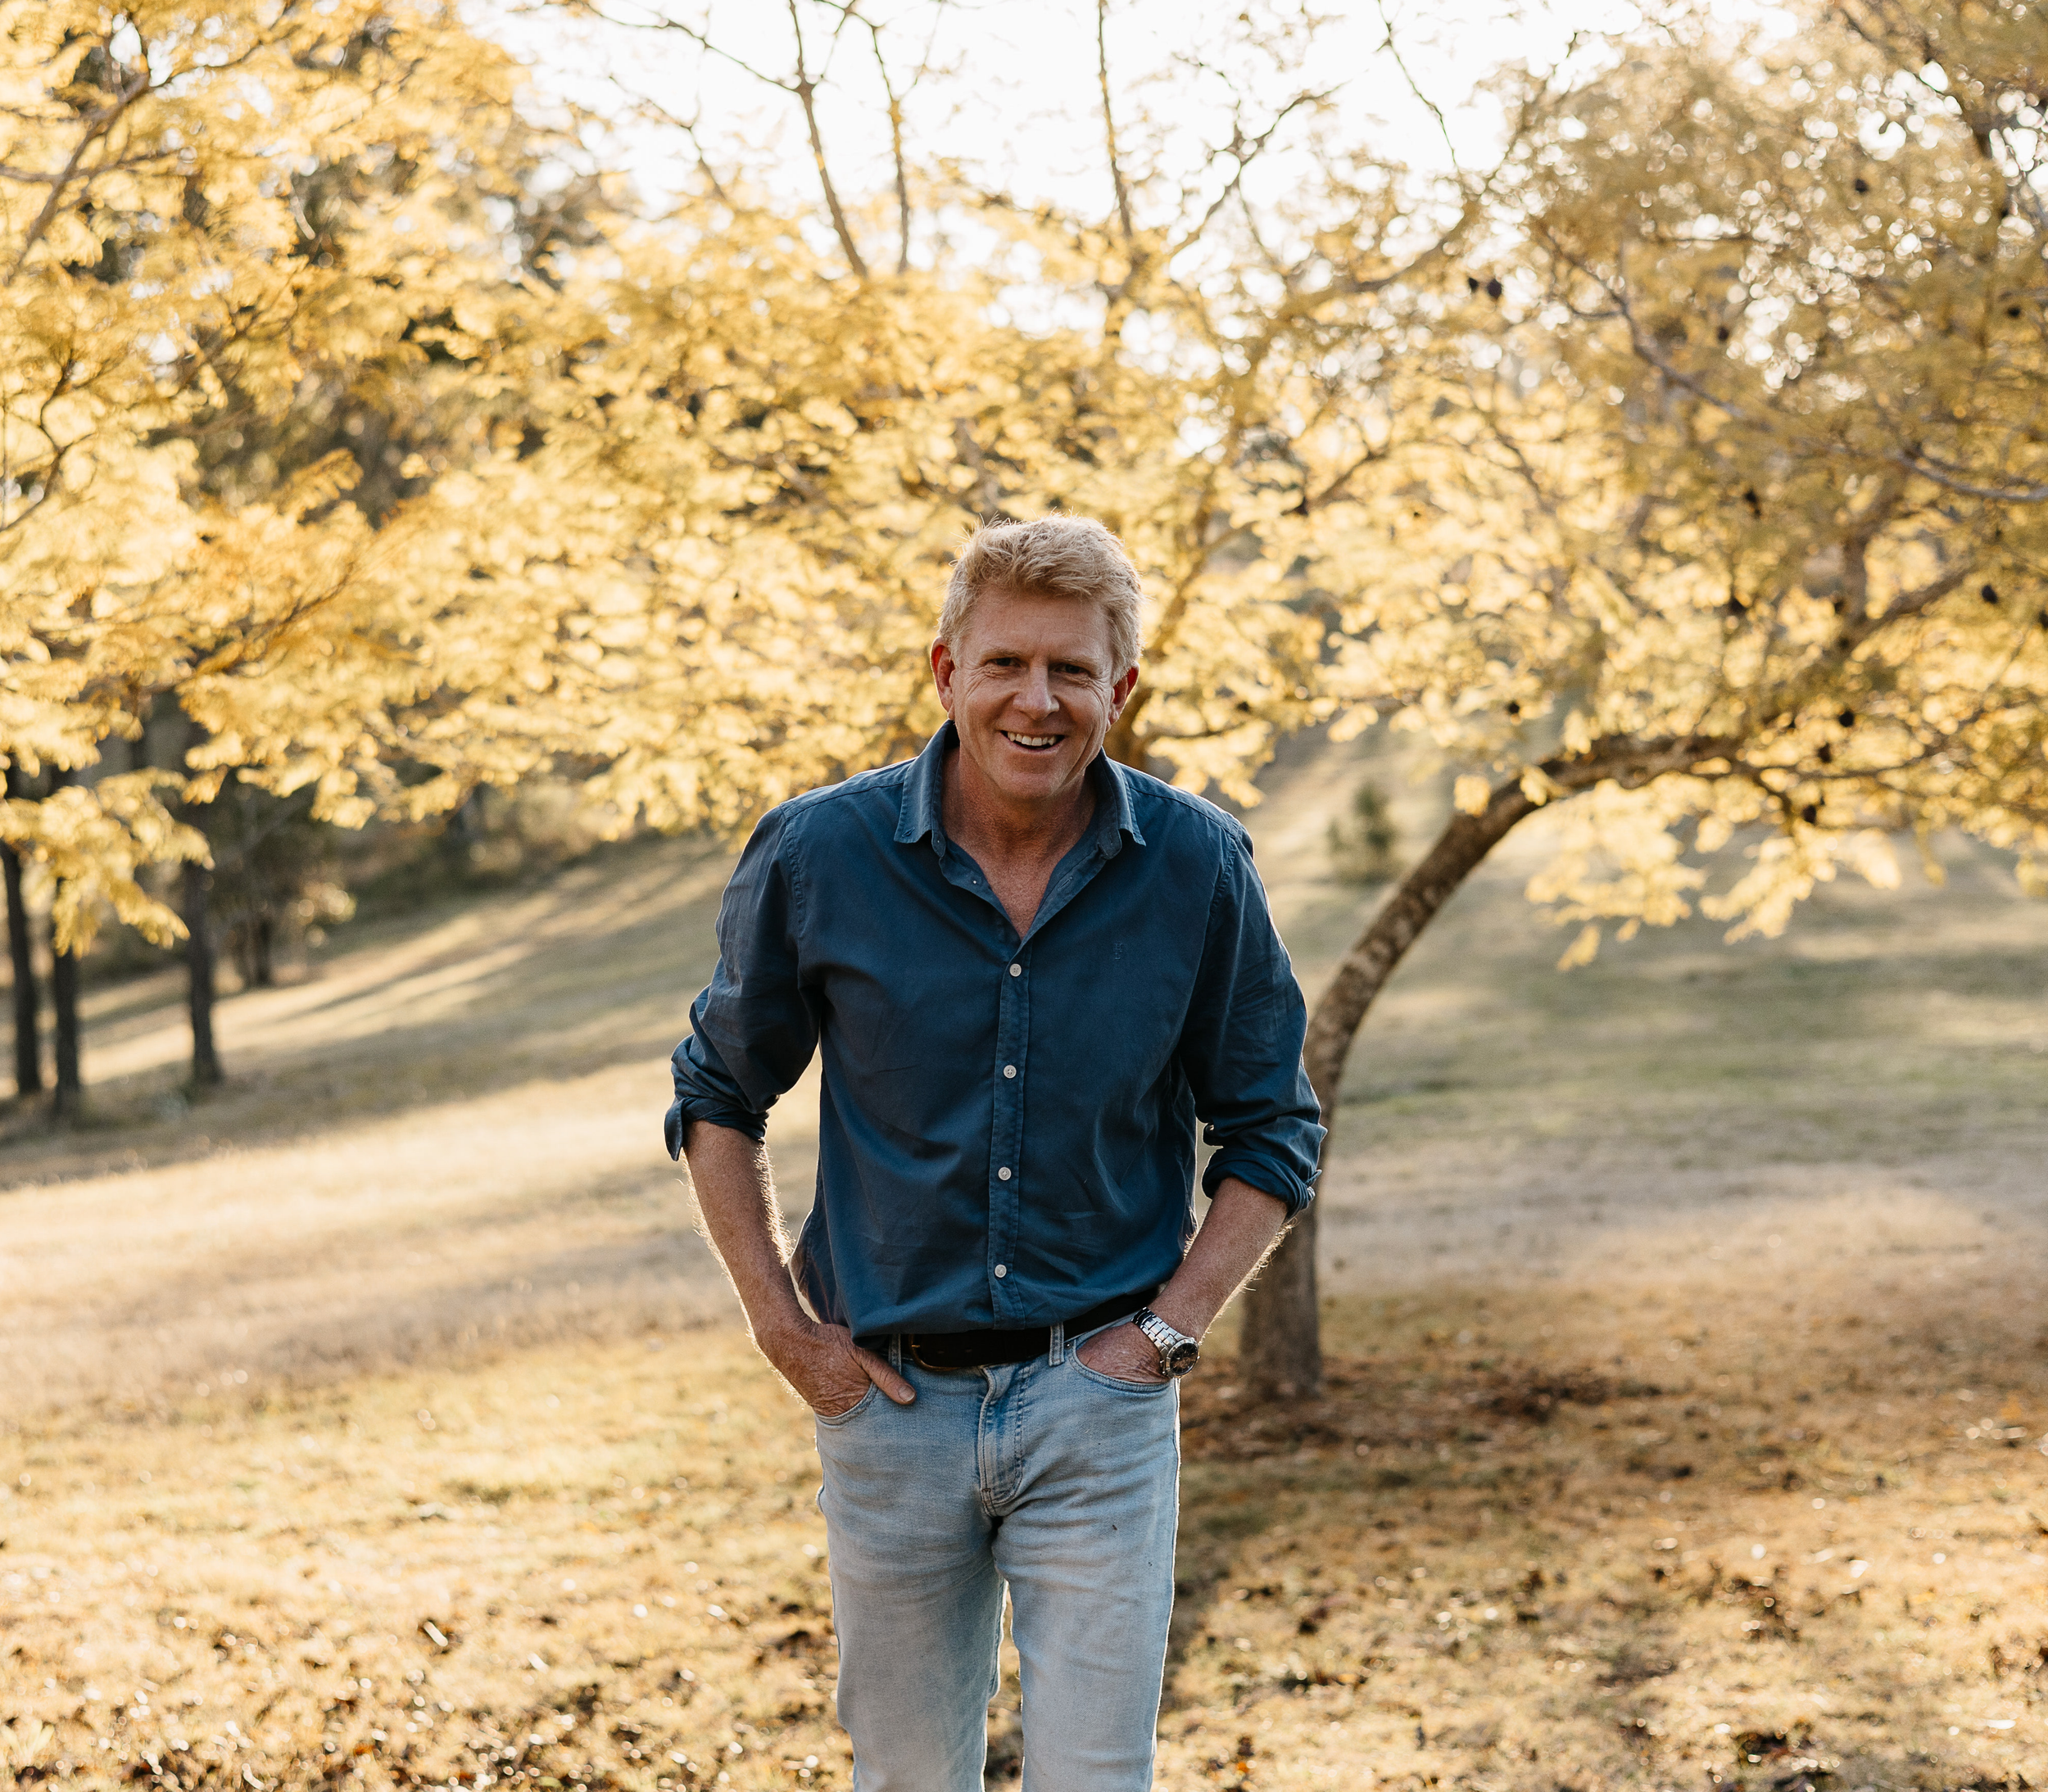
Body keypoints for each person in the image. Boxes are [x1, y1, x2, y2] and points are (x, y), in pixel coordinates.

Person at [665, 514, 1323, 1791]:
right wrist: (782, 1331)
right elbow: (715, 1096)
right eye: (1007, 664)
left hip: (1103, 1404)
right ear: (946, 671)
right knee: (911, 1779)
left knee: (1094, 1778)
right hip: (889, 1410)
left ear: (1118, 690)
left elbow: (1273, 1128)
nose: (1039, 700)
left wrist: (1167, 1338)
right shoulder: (821, 854)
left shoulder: (1197, 865)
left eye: (1073, 671)